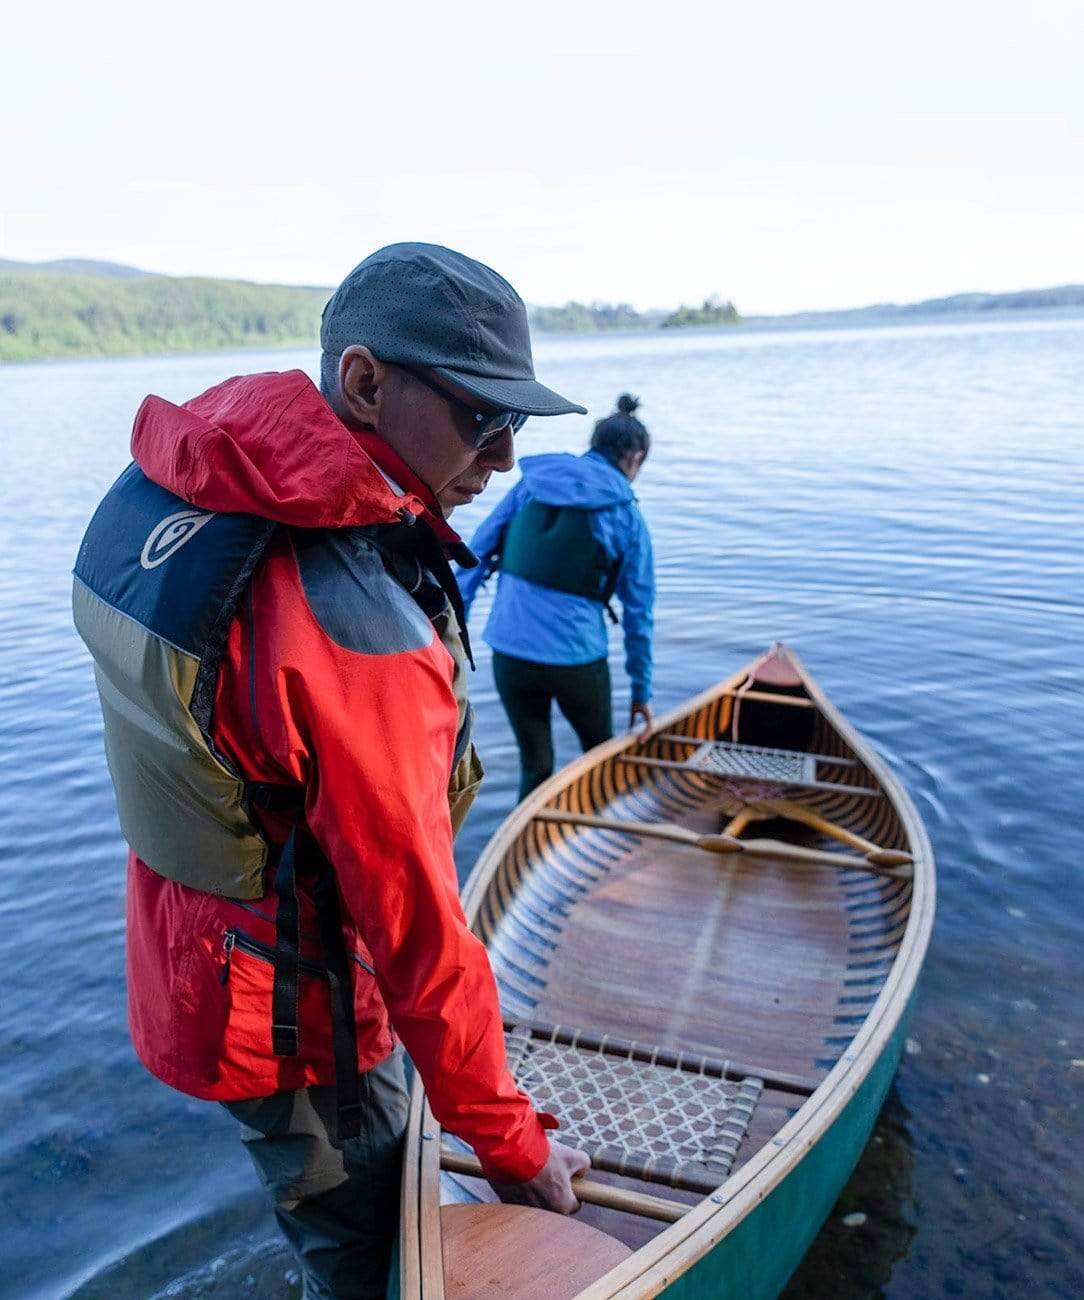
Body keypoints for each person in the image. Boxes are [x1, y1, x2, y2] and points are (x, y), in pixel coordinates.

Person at [72, 243, 590, 1300]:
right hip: (296, 1022)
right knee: (362, 1260)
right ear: (362, 380)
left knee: (323, 1227)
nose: (500, 460)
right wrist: (514, 1148)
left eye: (518, 427)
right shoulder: (354, 630)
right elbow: (414, 930)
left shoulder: (197, 483)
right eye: (482, 418)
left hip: (192, 960)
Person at [458, 395, 655, 800]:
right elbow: (639, 613)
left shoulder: (532, 483)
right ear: (634, 458)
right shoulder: (627, 515)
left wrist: (453, 638)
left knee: (535, 764)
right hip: (576, 660)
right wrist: (641, 692)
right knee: (601, 760)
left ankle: (527, 851)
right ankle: (602, 848)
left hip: (510, 655)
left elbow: (475, 556)